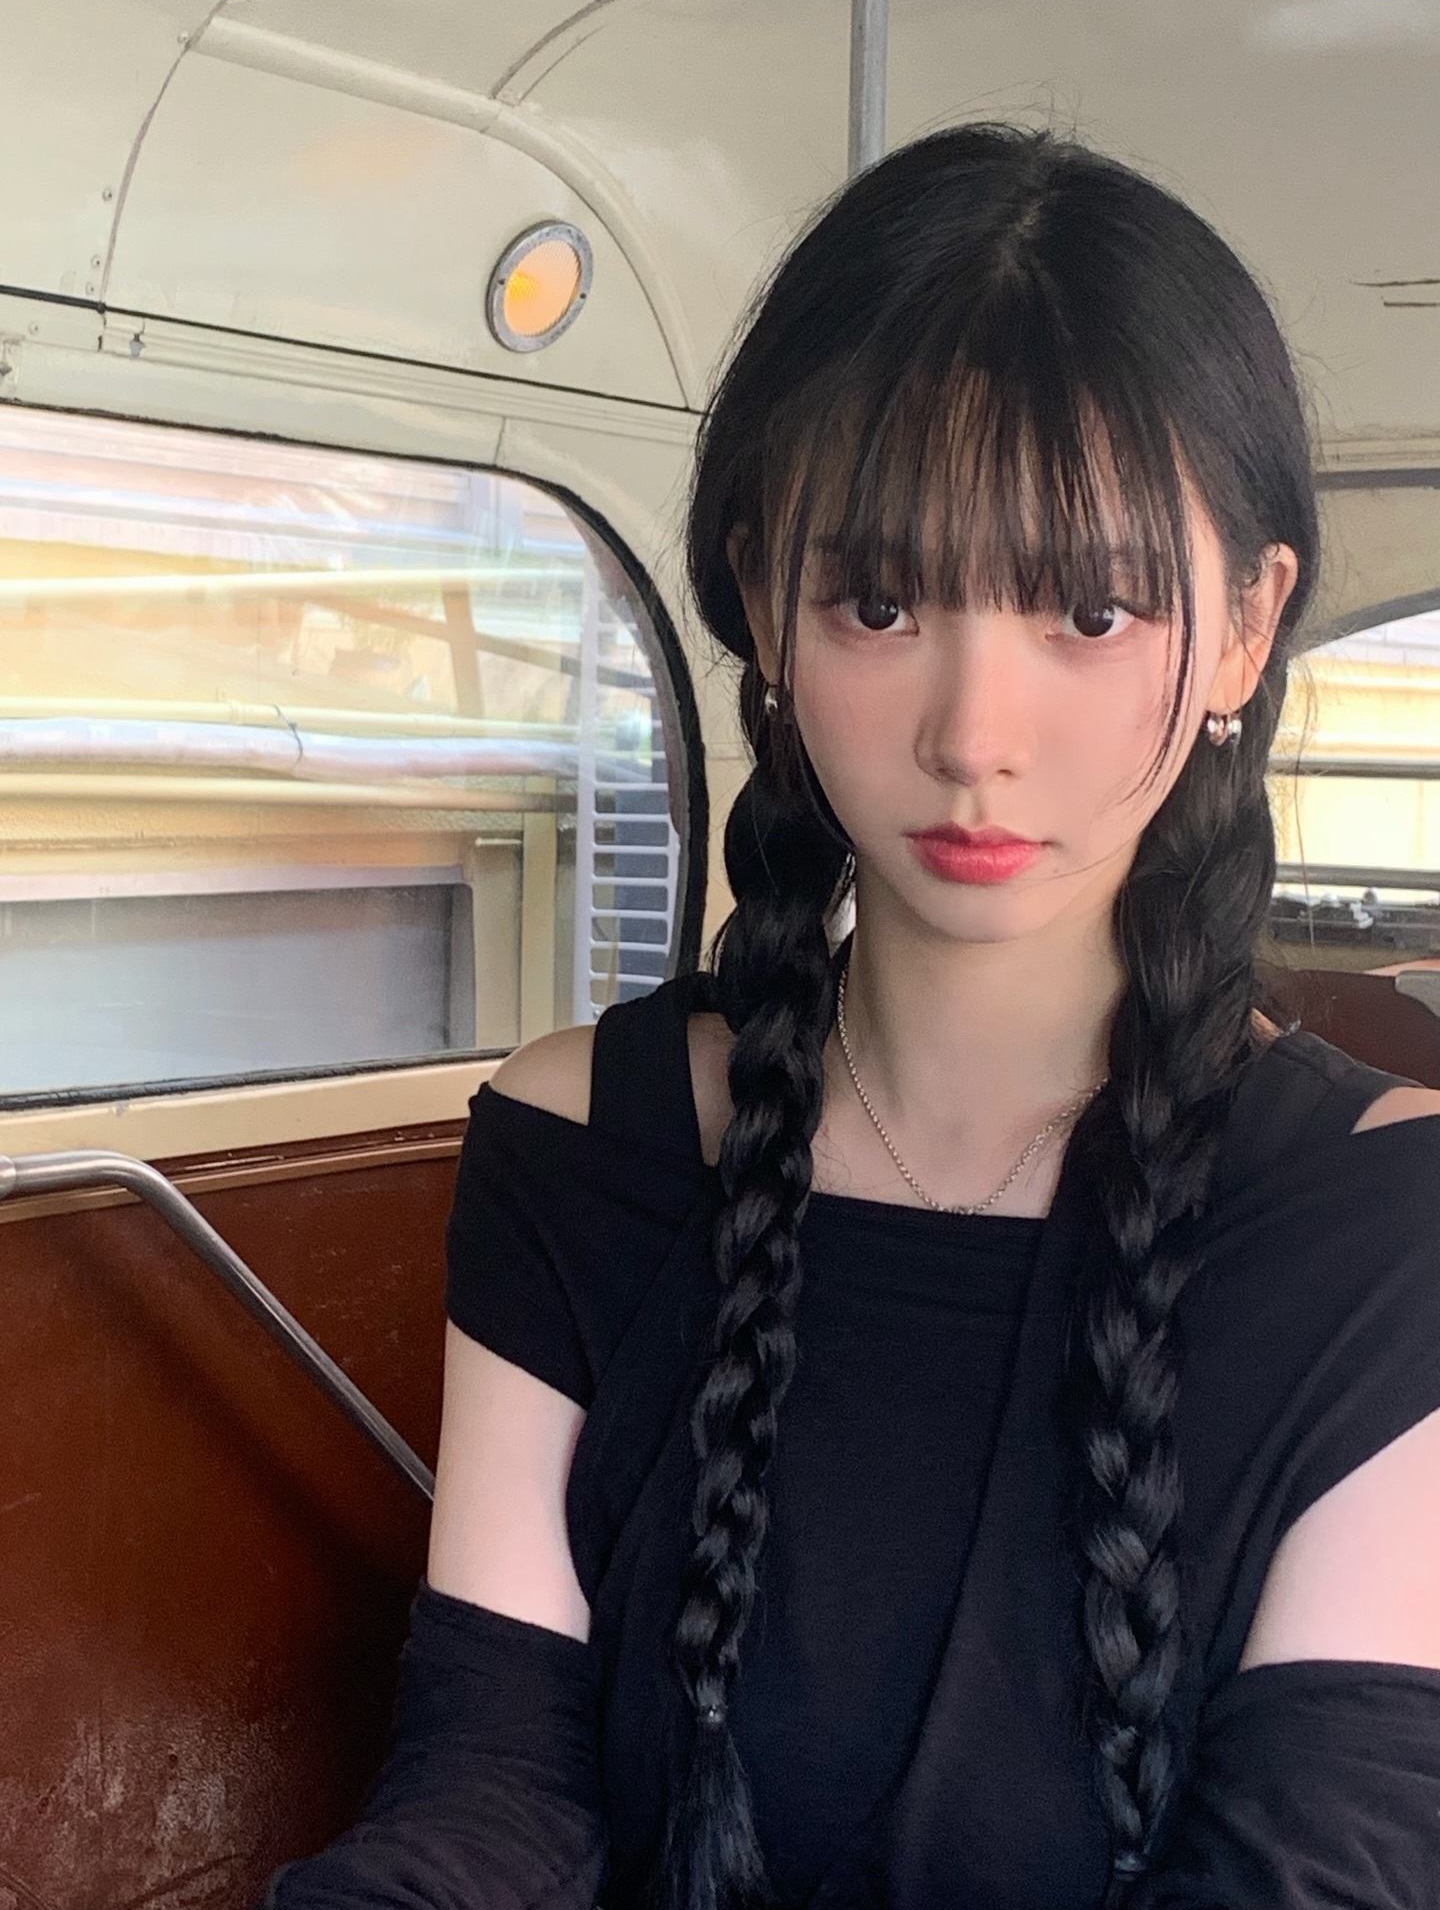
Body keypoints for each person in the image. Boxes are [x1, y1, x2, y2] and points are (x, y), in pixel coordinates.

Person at [266, 124, 1440, 1910]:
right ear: (761, 596)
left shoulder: (1385, 1227)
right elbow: (494, 1787)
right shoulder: (581, 1144)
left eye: (1091, 609)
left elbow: (1321, 1866)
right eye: (880, 601)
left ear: (1246, 627)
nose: (975, 733)